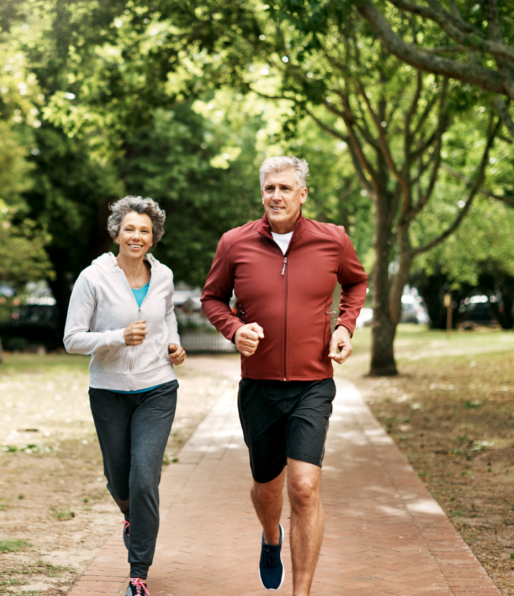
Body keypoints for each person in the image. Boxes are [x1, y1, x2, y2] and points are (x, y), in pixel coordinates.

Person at [201, 156, 367, 594]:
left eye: (285, 188)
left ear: (302, 194)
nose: (277, 195)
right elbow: (212, 298)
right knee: (267, 487)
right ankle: (270, 535)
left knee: (305, 486)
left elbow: (356, 283)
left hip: (313, 383)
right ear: (262, 193)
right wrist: (235, 330)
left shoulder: (333, 240)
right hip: (258, 387)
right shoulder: (234, 243)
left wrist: (345, 326)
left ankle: (302, 592)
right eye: (269, 188)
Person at [64, 196, 187, 596]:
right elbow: (71, 339)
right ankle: (130, 516)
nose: (137, 236)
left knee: (144, 480)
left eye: (145, 231)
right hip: (109, 393)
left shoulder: (163, 276)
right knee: (120, 481)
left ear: (154, 239)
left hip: (158, 389)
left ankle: (138, 573)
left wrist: (174, 344)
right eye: (130, 228)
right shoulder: (92, 278)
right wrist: (117, 337)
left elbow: (166, 316)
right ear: (116, 232)